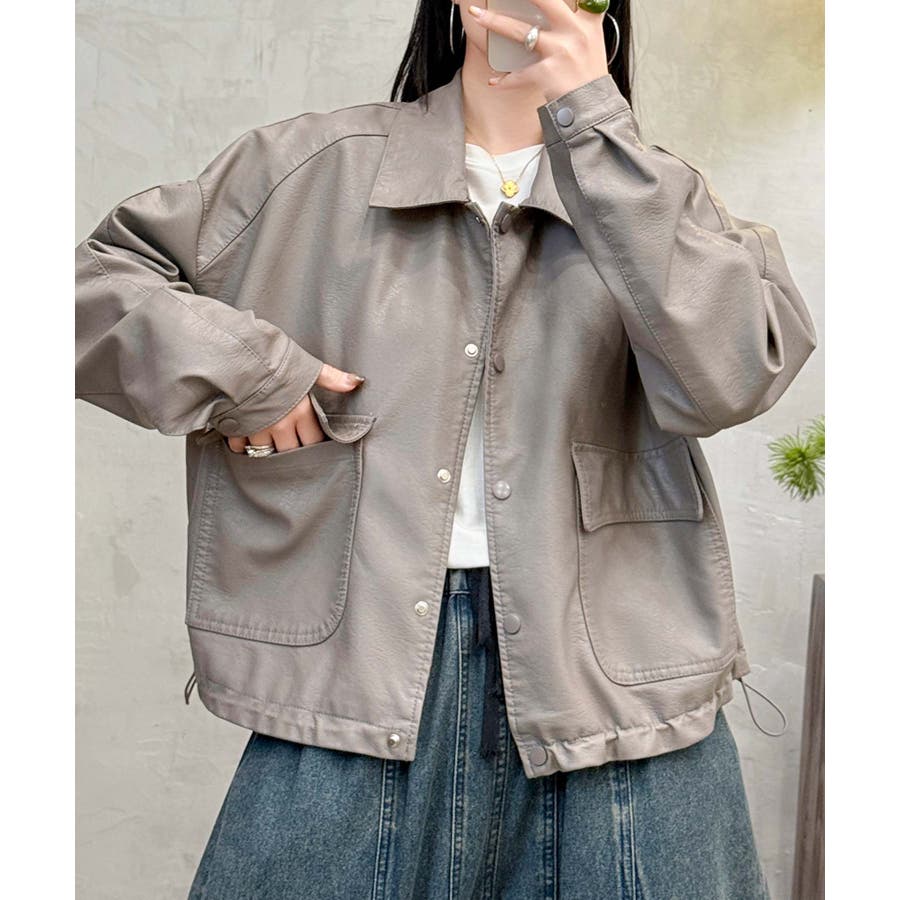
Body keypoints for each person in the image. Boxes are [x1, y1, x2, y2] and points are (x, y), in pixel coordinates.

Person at [75, 0, 817, 896]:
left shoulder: (664, 197)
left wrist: (595, 125)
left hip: (617, 694)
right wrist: (250, 374)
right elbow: (86, 288)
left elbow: (731, 376)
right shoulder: (308, 168)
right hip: (355, 676)